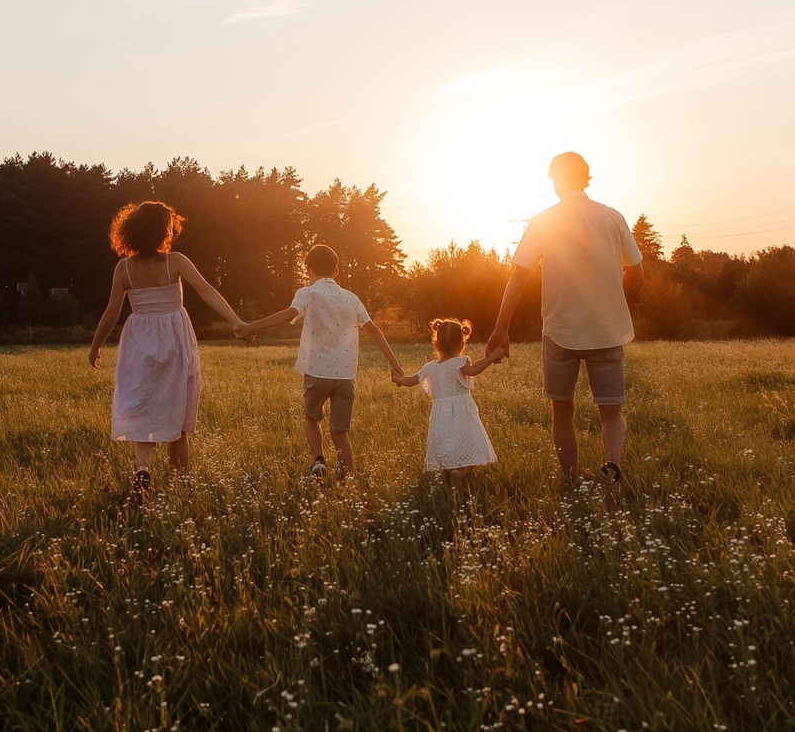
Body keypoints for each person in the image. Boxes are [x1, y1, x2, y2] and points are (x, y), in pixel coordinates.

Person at [485, 151, 643, 497]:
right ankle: (612, 464)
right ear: (587, 178)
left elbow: (517, 278)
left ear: (555, 180)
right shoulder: (612, 217)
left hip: (559, 330)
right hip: (607, 328)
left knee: (562, 409)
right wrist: (616, 291)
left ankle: (570, 481)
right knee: (611, 410)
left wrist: (501, 327)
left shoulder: (544, 221)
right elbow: (638, 271)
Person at [88, 199, 246, 492]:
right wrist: (236, 320)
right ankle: (180, 484)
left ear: (132, 231)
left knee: (142, 403)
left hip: (139, 341)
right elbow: (206, 290)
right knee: (176, 410)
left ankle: (143, 468)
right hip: (175, 339)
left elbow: (111, 313)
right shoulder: (176, 261)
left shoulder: (124, 268)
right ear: (164, 232)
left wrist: (95, 346)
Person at [233, 243, 404, 479]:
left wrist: (251, 327)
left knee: (312, 418)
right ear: (336, 271)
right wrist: (394, 363)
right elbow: (372, 329)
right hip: (345, 376)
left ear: (308, 269)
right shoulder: (351, 298)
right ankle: (348, 482)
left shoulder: (306, 293)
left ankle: (319, 460)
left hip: (316, 371)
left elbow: (289, 314)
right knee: (339, 432)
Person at [392, 315, 503, 484]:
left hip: (440, 416)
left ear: (436, 343)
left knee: (446, 445)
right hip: (461, 413)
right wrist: (492, 356)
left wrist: (398, 379)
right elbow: (473, 370)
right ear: (462, 343)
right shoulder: (460, 362)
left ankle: (448, 474)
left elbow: (409, 381)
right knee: (468, 448)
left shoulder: (430, 367)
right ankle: (461, 473)